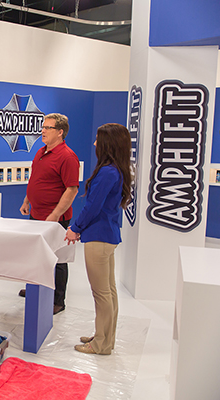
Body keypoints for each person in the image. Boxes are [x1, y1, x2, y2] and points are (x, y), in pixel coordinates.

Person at [64, 123, 132, 355]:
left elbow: (93, 207)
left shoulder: (106, 173)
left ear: (108, 143)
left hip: (99, 237)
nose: (94, 143)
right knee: (109, 291)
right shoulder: (117, 170)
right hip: (107, 235)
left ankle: (101, 343)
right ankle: (105, 337)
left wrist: (75, 228)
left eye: (98, 139)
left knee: (102, 293)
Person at [19, 113, 80, 315]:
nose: (42, 131)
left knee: (58, 259)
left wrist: (55, 215)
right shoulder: (41, 152)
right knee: (35, 254)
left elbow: (71, 189)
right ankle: (35, 288)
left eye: (48, 128)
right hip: (36, 214)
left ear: (60, 132)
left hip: (55, 218)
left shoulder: (68, 157)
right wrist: (27, 200)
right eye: (43, 127)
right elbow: (35, 179)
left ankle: (58, 300)